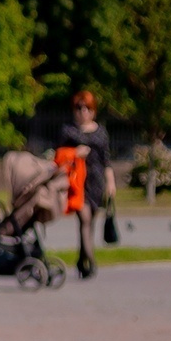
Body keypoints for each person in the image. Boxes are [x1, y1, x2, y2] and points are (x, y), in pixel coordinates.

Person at [58, 89, 114, 276]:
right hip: (77, 183)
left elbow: (107, 161)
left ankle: (82, 261)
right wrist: (75, 153)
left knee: (91, 223)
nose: (83, 112)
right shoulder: (68, 131)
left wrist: (111, 184)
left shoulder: (101, 132)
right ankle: (91, 260)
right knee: (85, 219)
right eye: (79, 108)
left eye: (87, 108)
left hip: (96, 182)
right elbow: (58, 156)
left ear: (93, 111)